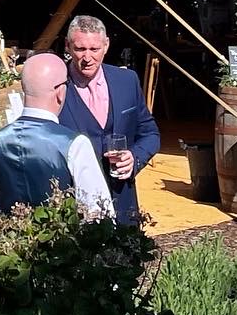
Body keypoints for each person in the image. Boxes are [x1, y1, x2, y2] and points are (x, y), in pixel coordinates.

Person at [0, 52, 114, 219]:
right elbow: (99, 214)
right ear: (60, 91)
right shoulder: (74, 144)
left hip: (10, 240)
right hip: (61, 244)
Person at [58, 15, 160, 226]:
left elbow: (150, 133)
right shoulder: (56, 87)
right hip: (75, 207)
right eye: (80, 49)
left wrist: (135, 157)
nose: (87, 57)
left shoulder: (127, 80)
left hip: (123, 199)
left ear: (106, 46)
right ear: (67, 46)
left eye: (94, 49)